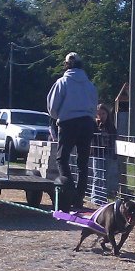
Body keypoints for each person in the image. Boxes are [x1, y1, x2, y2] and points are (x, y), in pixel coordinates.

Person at [47, 52, 97, 209]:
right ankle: (79, 198)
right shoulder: (89, 84)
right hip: (88, 123)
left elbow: (52, 107)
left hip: (68, 123)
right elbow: (95, 103)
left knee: (62, 158)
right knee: (83, 162)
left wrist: (59, 116)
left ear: (66, 64)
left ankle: (68, 192)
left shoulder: (62, 82)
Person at [90, 103, 119, 205]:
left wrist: (114, 153)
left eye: (103, 113)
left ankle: (102, 197)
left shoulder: (111, 127)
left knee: (106, 176)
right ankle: (95, 197)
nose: (101, 116)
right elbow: (92, 138)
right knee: (97, 175)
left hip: (108, 153)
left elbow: (114, 139)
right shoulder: (94, 125)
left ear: (107, 114)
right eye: (99, 114)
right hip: (97, 153)